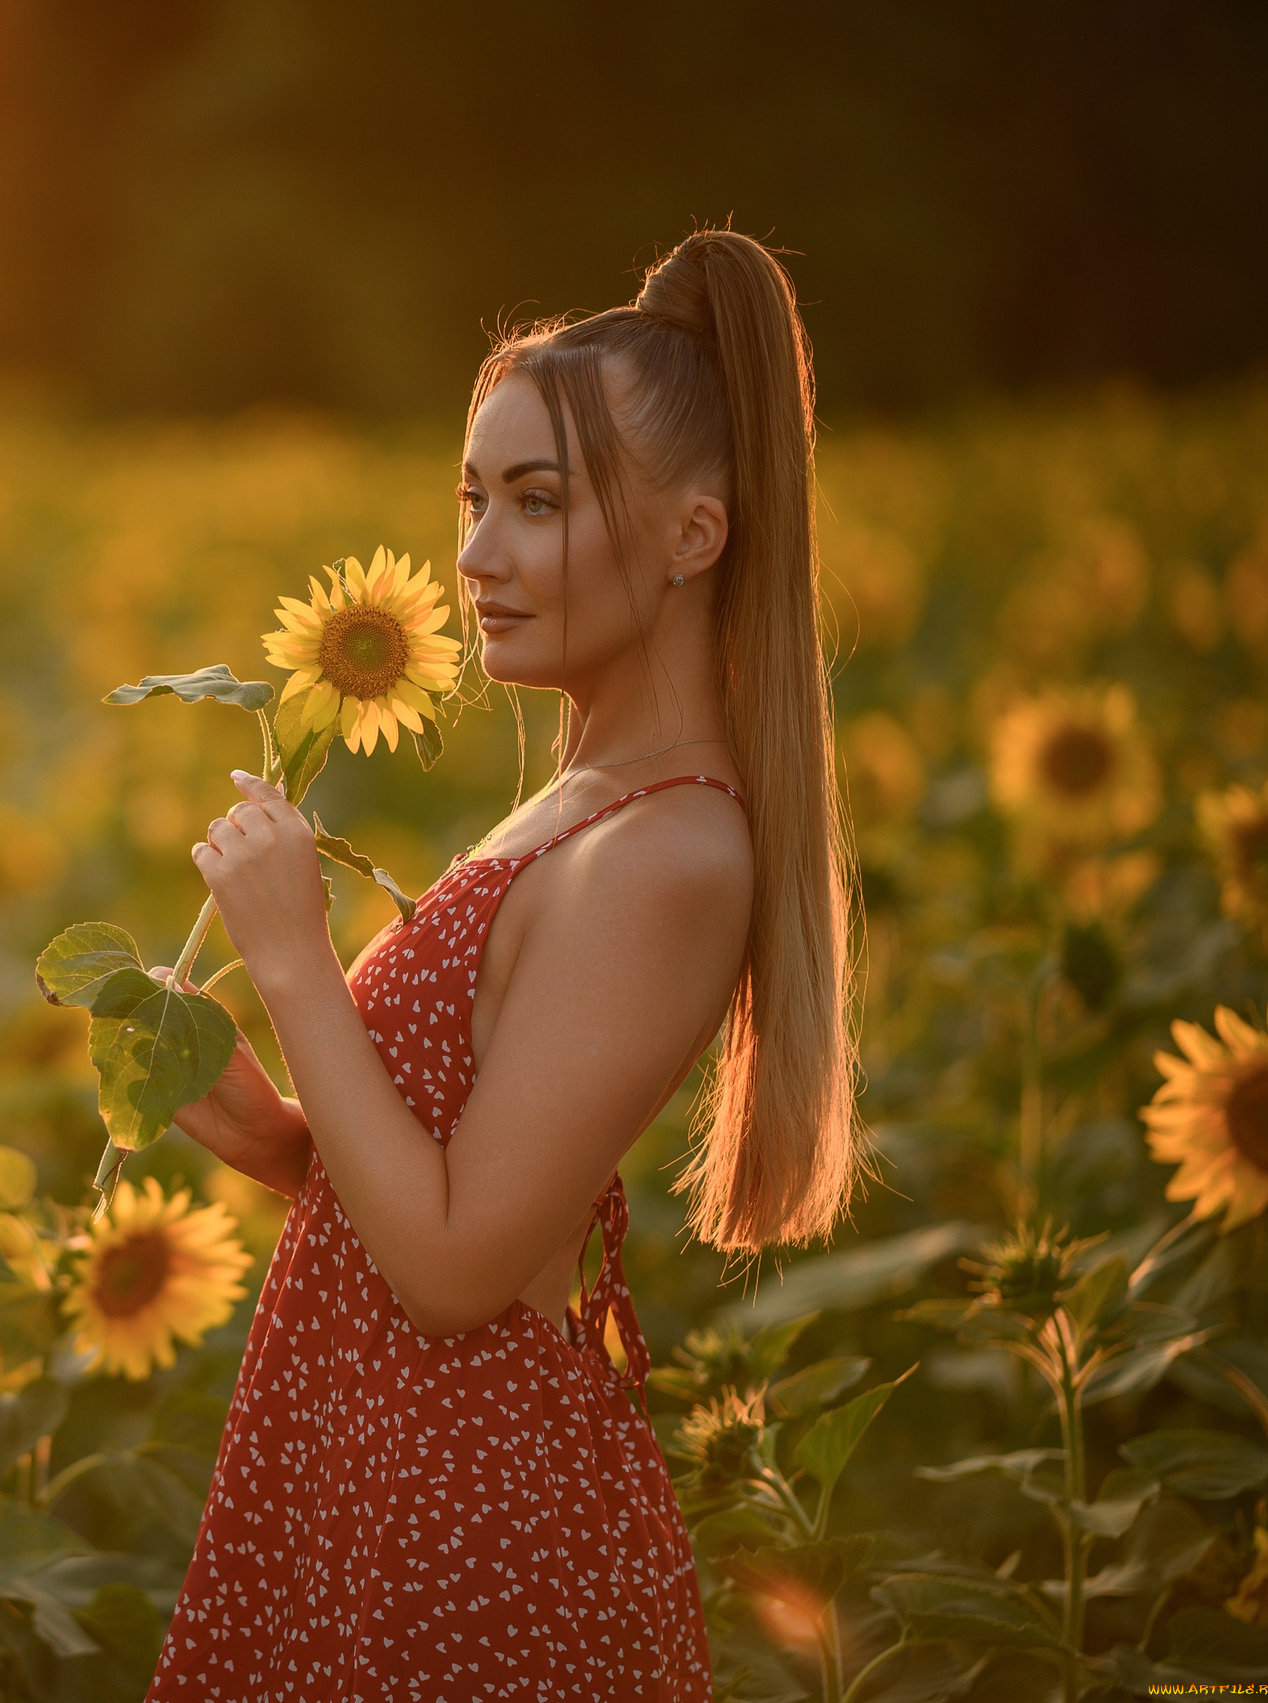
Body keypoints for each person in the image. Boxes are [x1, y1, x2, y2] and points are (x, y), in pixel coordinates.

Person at [143, 228, 865, 1700]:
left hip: (470, 1512)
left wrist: (294, 960)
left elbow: (464, 1276)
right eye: (474, 498)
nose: (477, 556)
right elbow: (479, 1189)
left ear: (694, 536)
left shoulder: (673, 852)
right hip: (377, 1466)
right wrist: (279, 1138)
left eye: (538, 502)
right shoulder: (577, 804)